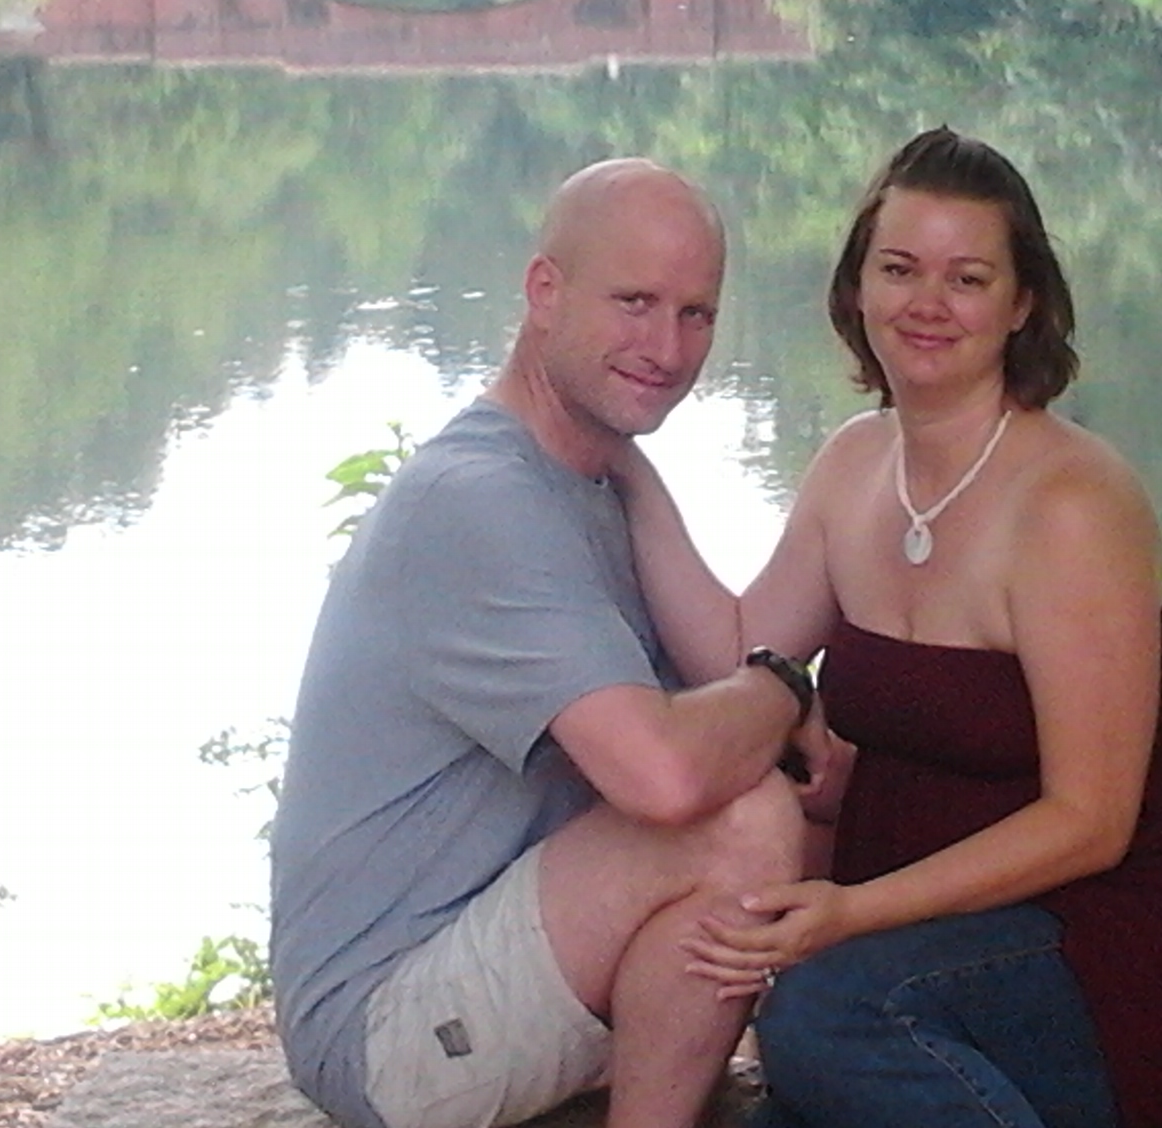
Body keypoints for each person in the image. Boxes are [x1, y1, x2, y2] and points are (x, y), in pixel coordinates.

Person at [616, 128, 1162, 1128]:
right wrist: (620, 465)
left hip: (1117, 939)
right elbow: (743, 643)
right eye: (898, 269)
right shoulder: (851, 465)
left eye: (966, 278)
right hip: (926, 940)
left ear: (1020, 305)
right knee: (799, 1079)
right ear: (857, 289)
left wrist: (845, 913)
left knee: (826, 1013)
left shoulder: (1069, 502)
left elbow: (1090, 821)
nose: (925, 305)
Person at [270, 158, 826, 1128]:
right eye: (634, 302)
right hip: (392, 1025)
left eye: (696, 313)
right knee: (742, 822)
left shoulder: (594, 474)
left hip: (517, 949)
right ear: (542, 291)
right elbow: (662, 776)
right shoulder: (478, 503)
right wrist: (783, 693)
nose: (666, 346)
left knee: (805, 807)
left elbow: (728, 682)